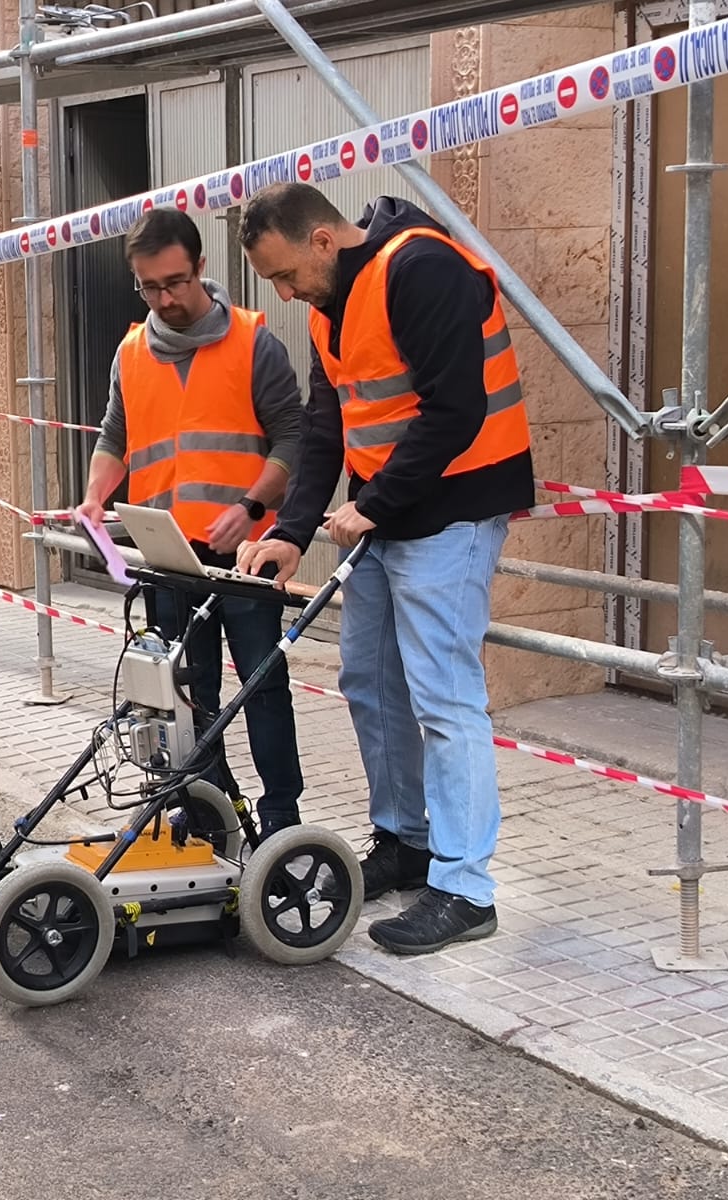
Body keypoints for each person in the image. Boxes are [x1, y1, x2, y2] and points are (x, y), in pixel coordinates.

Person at [235, 183, 533, 955]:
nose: (284, 292)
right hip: (388, 515)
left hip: (453, 513)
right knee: (369, 680)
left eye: (285, 275)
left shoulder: (422, 269)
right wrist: (292, 530)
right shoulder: (329, 306)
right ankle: (404, 841)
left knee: (445, 700)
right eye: (274, 283)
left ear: (325, 240)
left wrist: (373, 504)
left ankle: (465, 888)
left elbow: (456, 411)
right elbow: (327, 423)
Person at [75, 208, 305, 837]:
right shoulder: (130, 352)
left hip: (247, 553)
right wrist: (96, 495)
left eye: (175, 281)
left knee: (261, 684)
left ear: (201, 267)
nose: (165, 298)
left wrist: (252, 507)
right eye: (149, 286)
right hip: (167, 554)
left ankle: (282, 816)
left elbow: (293, 438)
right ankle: (210, 804)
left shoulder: (254, 342)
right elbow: (114, 436)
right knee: (185, 686)